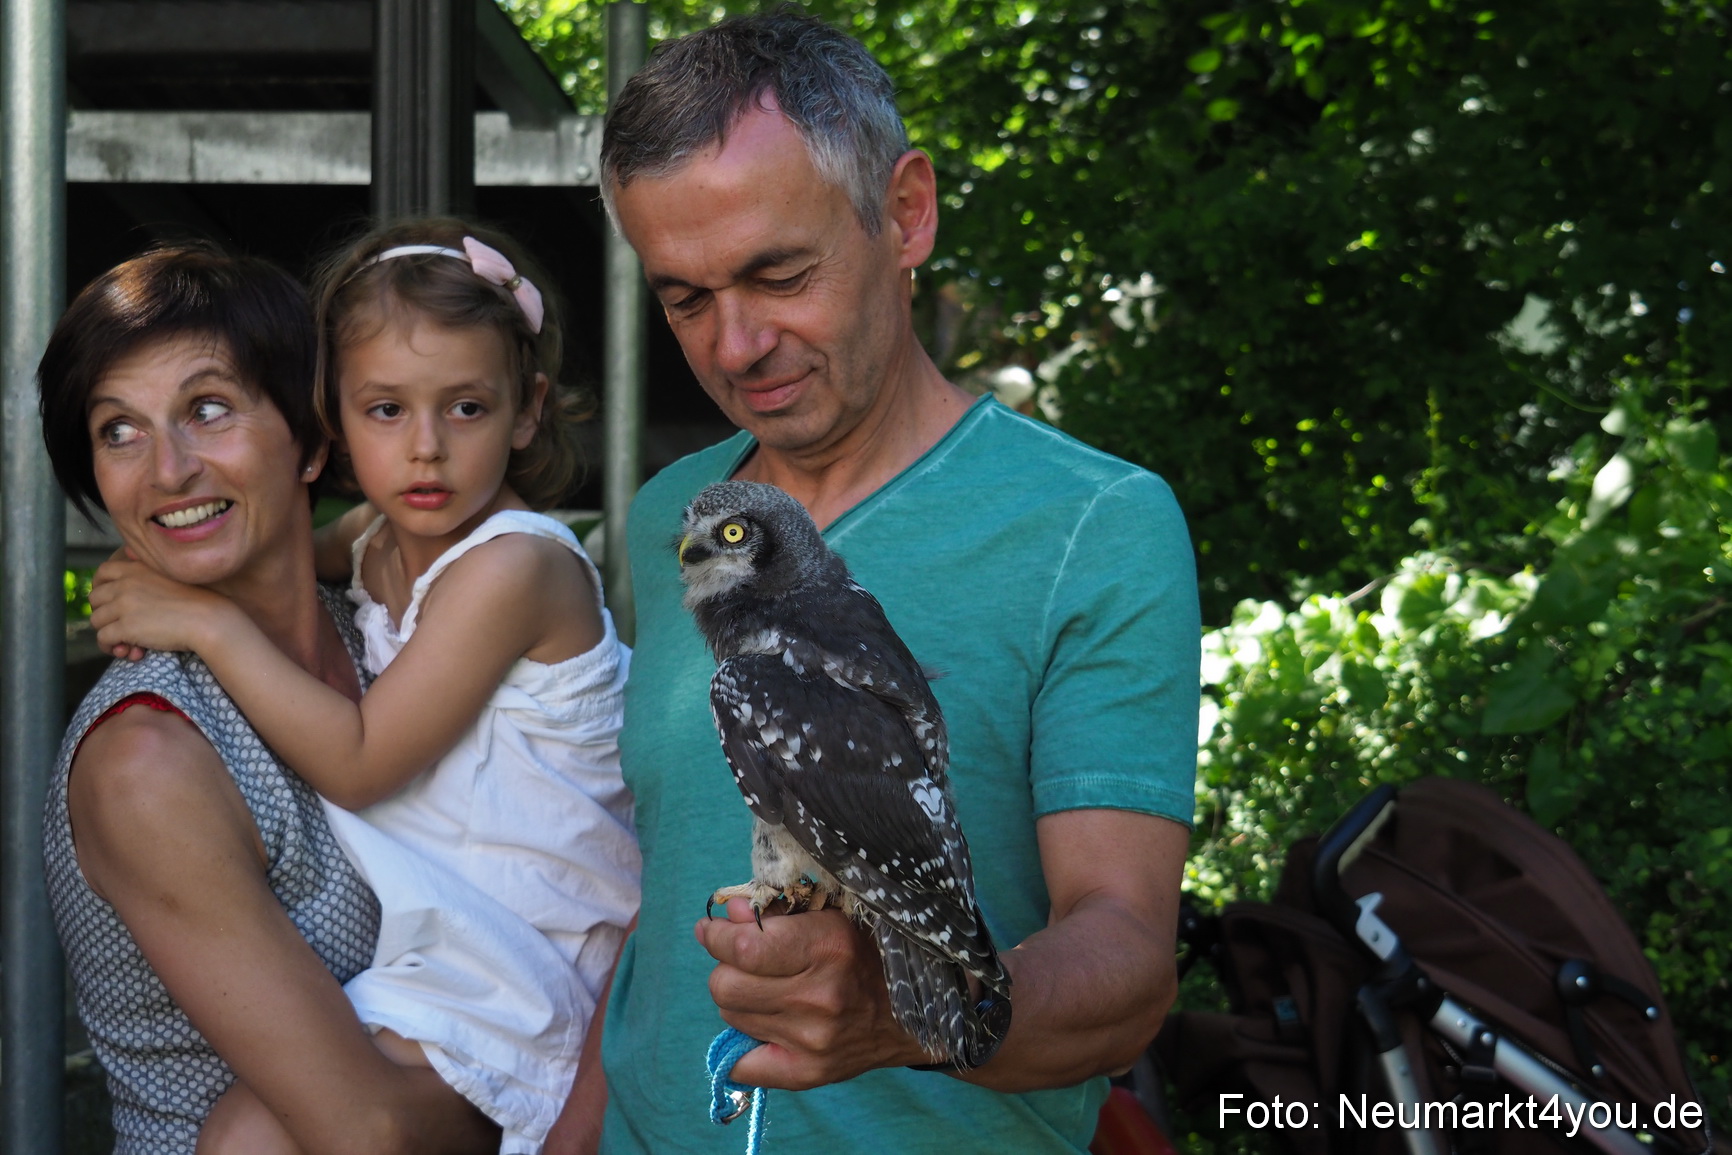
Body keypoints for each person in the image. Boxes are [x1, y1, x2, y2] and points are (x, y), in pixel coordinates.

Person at [578, 8, 1200, 1154]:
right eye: (685, 297)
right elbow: (652, 891)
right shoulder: (676, 516)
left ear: (904, 213)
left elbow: (1126, 958)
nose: (734, 345)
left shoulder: (1090, 526)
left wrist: (907, 1016)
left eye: (778, 273)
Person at [87, 220, 640, 1154]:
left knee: (256, 1136)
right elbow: (289, 551)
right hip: (461, 940)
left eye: (466, 408)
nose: (425, 449)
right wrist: (183, 551)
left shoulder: (513, 570)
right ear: (332, 424)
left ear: (528, 409)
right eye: (386, 410)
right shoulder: (379, 540)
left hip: (540, 945)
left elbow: (360, 760)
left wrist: (202, 620)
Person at [40, 242, 502, 1154]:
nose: (167, 470)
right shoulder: (151, 756)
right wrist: (594, 1070)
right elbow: (369, 1129)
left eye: (207, 409)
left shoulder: (391, 630)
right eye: (118, 431)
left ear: (314, 439)